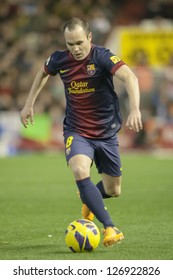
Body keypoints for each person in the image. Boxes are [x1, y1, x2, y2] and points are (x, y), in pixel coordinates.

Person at [20, 17, 143, 247]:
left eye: (79, 42)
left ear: (89, 38)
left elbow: (130, 77)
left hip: (106, 132)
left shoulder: (102, 56)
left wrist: (135, 109)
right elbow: (42, 73)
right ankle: (109, 227)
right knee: (79, 170)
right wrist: (29, 104)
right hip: (77, 131)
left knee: (113, 190)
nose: (75, 49)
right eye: (70, 44)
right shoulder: (60, 59)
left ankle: (89, 198)